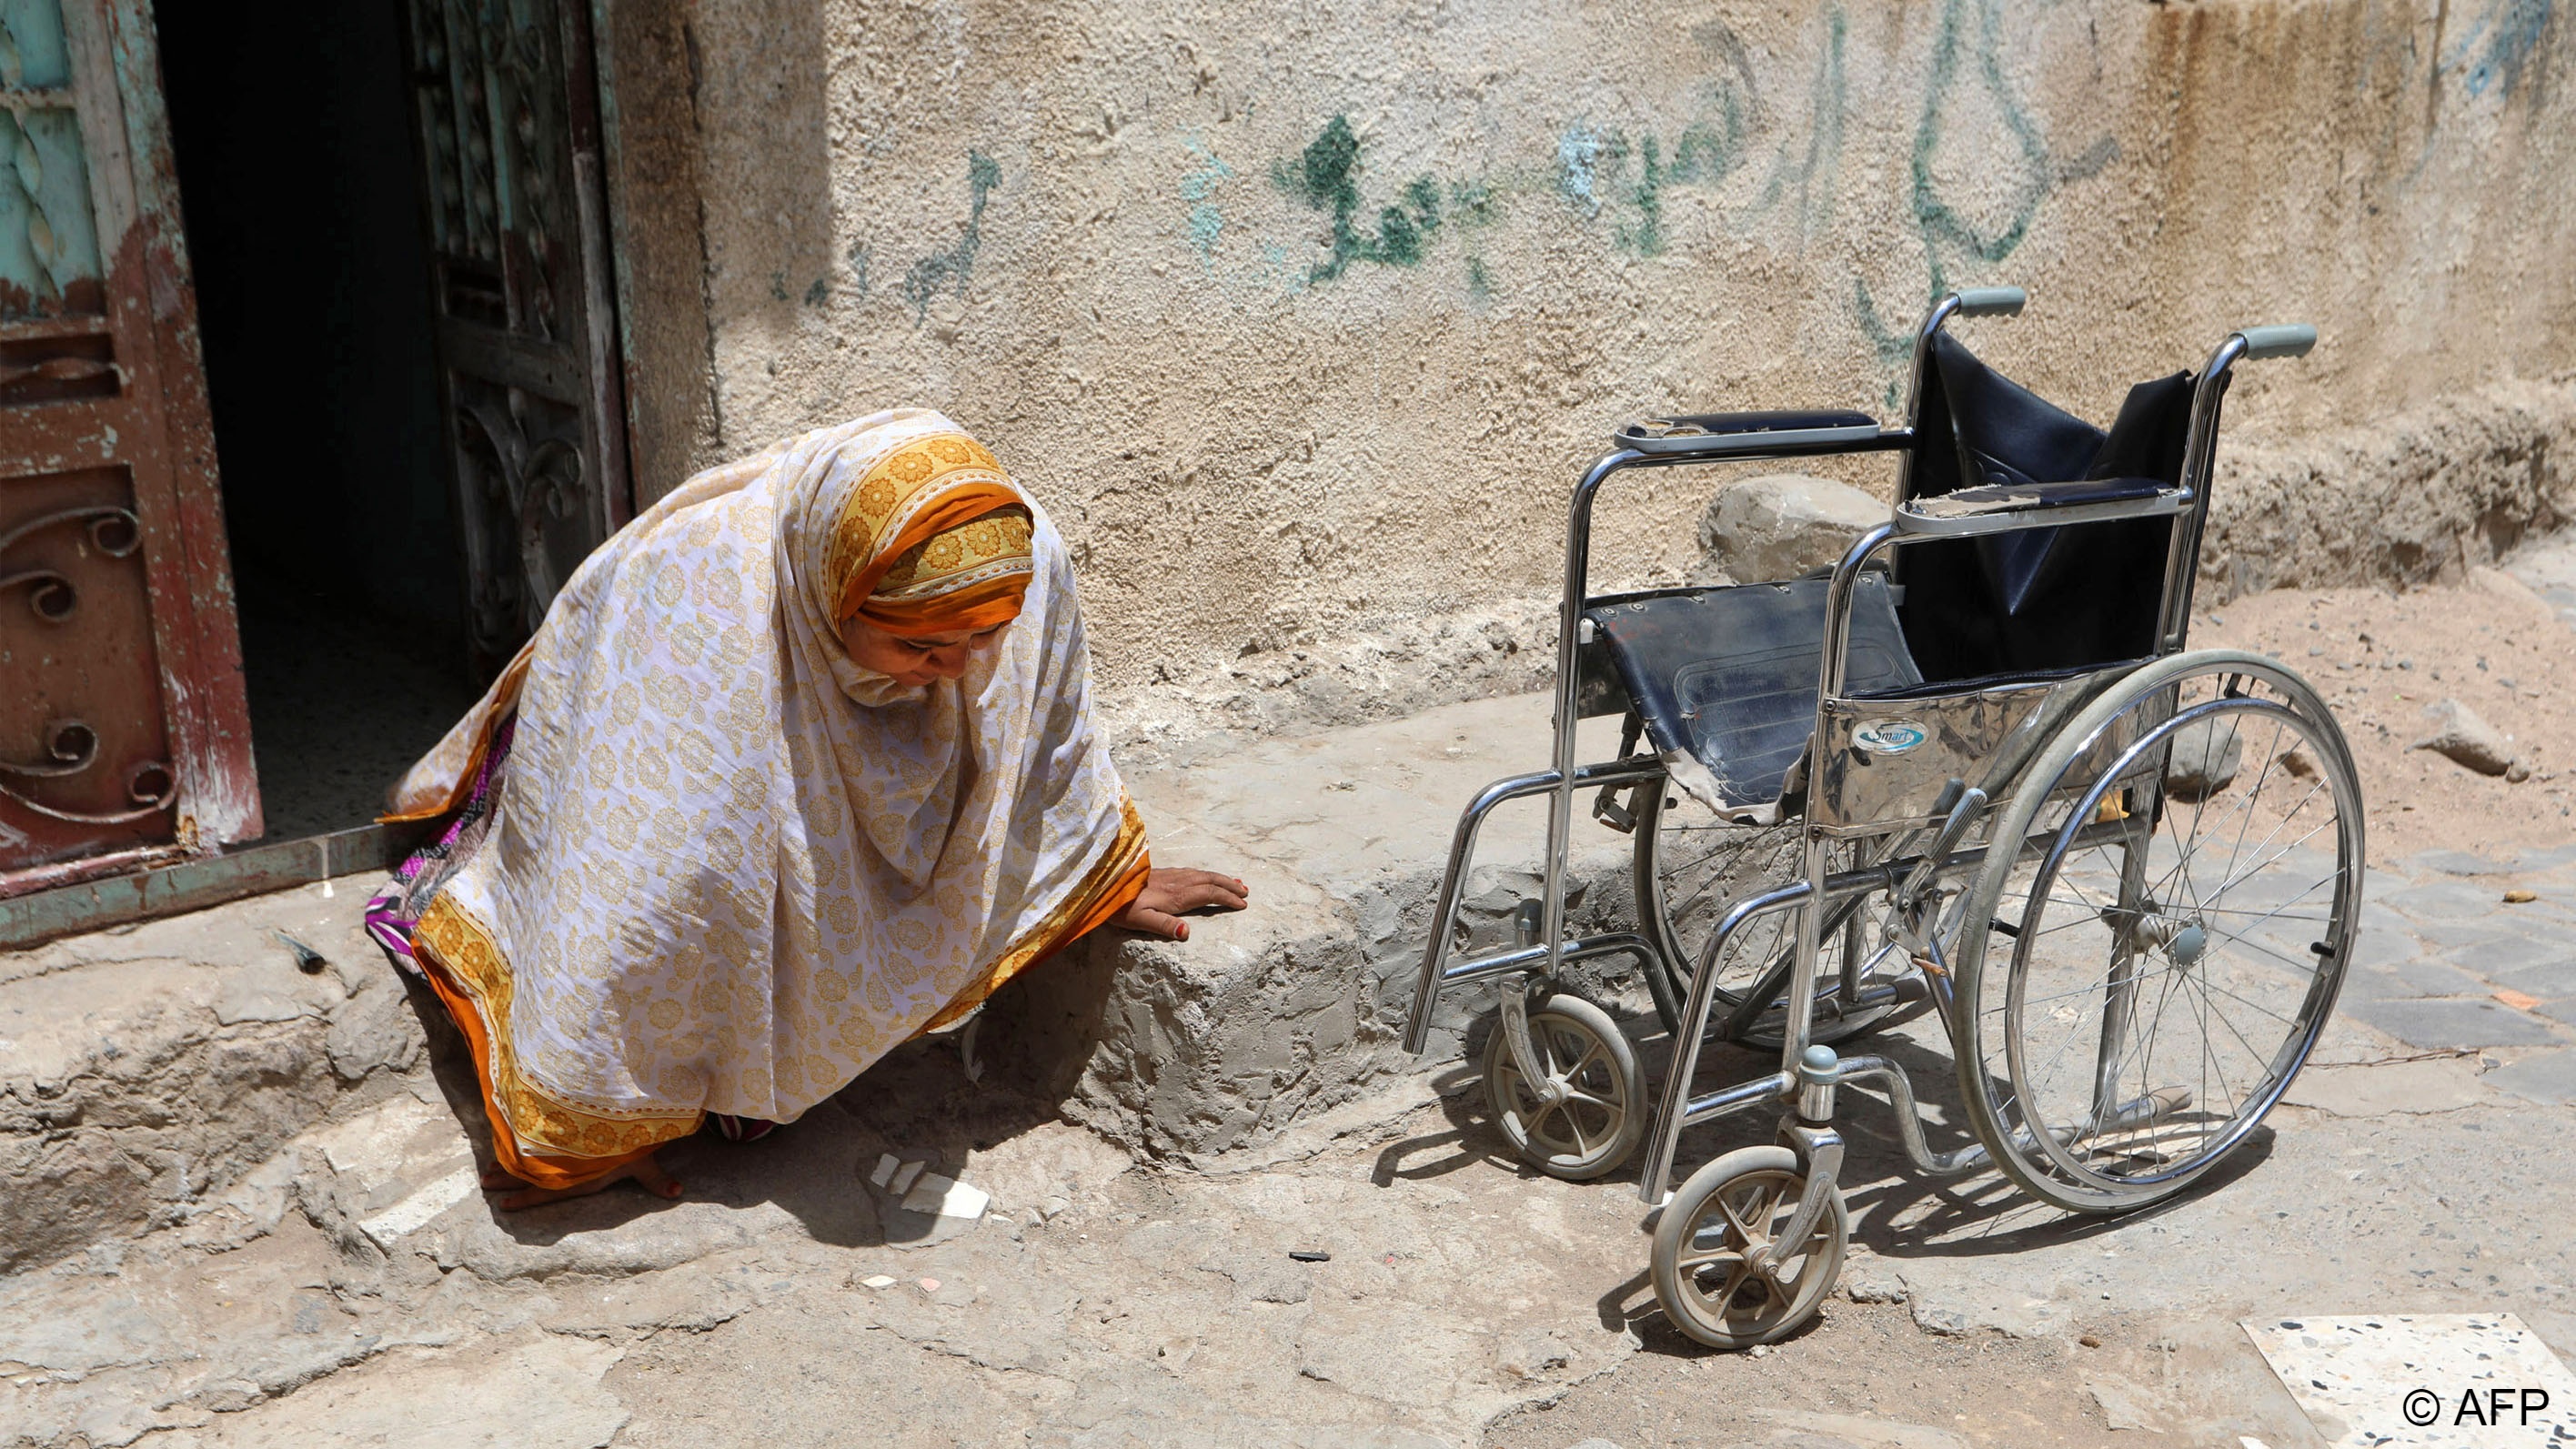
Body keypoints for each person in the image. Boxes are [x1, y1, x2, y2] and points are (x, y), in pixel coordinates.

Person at [366, 410, 1247, 1208]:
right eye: (921, 647)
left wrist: (1088, 878)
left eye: (985, 640)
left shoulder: (1021, 556)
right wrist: (592, 1112)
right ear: (834, 599)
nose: (966, 671)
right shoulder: (699, 613)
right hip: (639, 756)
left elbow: (1047, 740)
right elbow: (637, 888)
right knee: (702, 872)